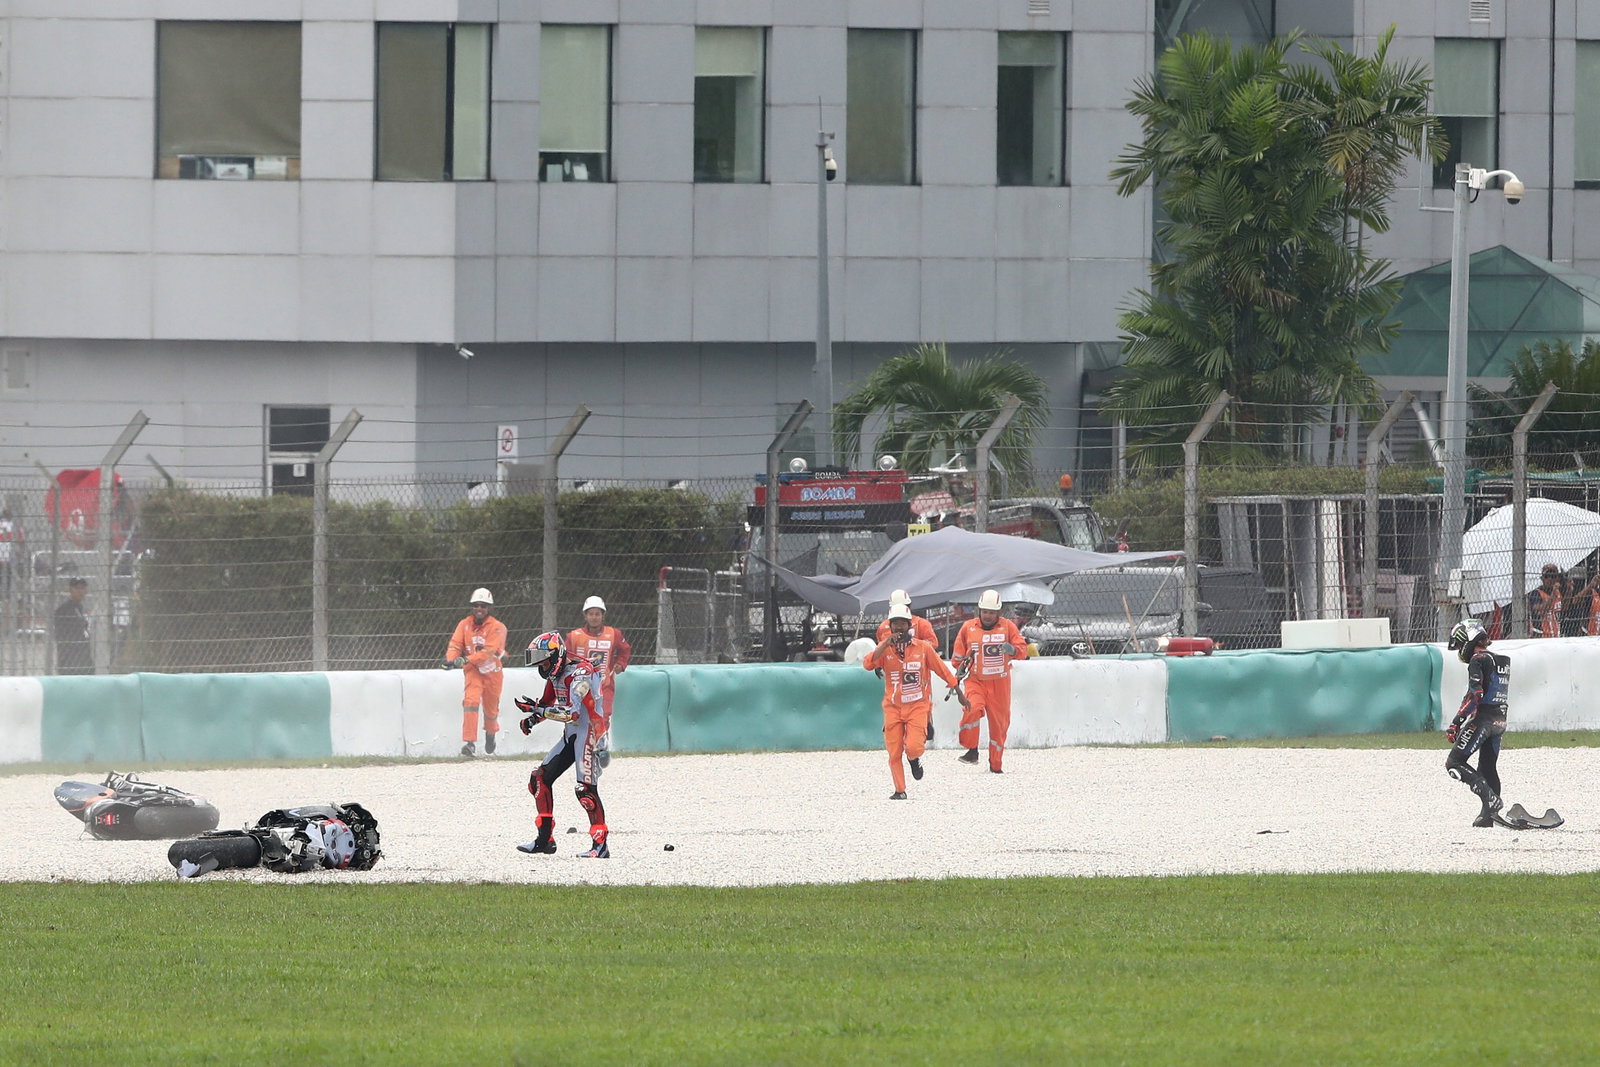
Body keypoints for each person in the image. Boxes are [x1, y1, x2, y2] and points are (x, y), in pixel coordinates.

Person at [514, 631, 610, 858]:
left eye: (545, 660)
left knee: (584, 790)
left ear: (557, 655)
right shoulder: (555, 675)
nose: (542, 666)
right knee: (539, 779)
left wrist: (537, 711)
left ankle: (600, 845)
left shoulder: (581, 672)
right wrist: (533, 718)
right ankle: (544, 840)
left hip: (590, 733)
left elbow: (573, 714)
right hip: (571, 734)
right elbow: (547, 703)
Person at [862, 605, 963, 799]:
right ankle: (900, 790)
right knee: (893, 750)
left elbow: (941, 668)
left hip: (917, 706)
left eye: (903, 623)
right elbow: (868, 664)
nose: (899, 628)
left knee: (914, 746)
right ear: (890, 627)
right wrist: (884, 645)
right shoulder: (884, 648)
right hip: (892, 707)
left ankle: (913, 759)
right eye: (895, 624)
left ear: (909, 625)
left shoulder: (923, 648)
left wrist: (957, 690)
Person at [952, 588, 1030, 772]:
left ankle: (996, 765)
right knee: (972, 709)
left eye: (992, 612)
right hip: (975, 680)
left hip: (1000, 684)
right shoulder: (968, 628)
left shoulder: (1008, 627)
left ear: (999, 612)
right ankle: (971, 751)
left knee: (1000, 725)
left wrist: (1013, 650)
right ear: (979, 611)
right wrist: (961, 666)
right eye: (985, 612)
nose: (988, 616)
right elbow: (957, 657)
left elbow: (1023, 650)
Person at [1445, 618, 1509, 827]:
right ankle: (1487, 816)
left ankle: (1491, 801)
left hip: (1483, 719)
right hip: (1500, 720)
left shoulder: (1478, 660)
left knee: (1454, 763)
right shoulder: (1500, 660)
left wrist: (1456, 723)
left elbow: (1475, 695)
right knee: (1488, 766)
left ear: (1467, 640)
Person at [565, 594, 631, 766]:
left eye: (597, 613)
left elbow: (625, 651)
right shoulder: (574, 636)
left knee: (603, 715)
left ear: (603, 615)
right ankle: (580, 749)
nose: (594, 617)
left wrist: (620, 664)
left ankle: (602, 748)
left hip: (604, 684)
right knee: (578, 717)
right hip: (579, 686)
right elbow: (565, 657)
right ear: (585, 615)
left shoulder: (614, 634)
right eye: (591, 613)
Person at [444, 587, 507, 757]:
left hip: (492, 673)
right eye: (476, 605)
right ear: (472, 607)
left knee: (491, 710)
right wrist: (450, 659)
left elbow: (488, 652)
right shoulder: (464, 625)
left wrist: (466, 659)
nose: (479, 609)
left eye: (483, 606)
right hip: (473, 672)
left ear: (489, 608)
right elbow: (456, 644)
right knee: (470, 702)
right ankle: (469, 743)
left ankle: (490, 734)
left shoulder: (498, 627)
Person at [54, 577, 93, 675]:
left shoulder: (79, 607)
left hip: (82, 655)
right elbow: (61, 634)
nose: (80, 591)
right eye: (77, 588)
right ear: (71, 590)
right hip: (70, 657)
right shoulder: (64, 609)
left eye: (83, 588)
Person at [1526, 563, 1569, 638]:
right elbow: (1541, 611)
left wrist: (1569, 590)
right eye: (1547, 576)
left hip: (1556, 635)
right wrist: (1553, 594)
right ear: (1542, 578)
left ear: (1557, 578)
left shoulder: (1558, 592)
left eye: (1553, 576)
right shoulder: (1536, 593)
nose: (1550, 579)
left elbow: (1564, 608)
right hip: (1541, 636)